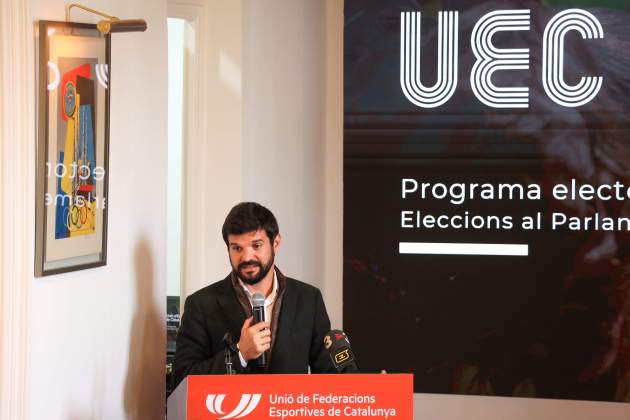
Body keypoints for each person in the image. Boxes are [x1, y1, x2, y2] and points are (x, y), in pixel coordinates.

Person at [171, 202, 335, 388]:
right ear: (228, 249)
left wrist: (370, 389)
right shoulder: (200, 305)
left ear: (276, 243)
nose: (247, 257)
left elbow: (330, 377)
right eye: (237, 248)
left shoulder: (308, 300)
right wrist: (240, 354)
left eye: (256, 245)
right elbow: (181, 381)